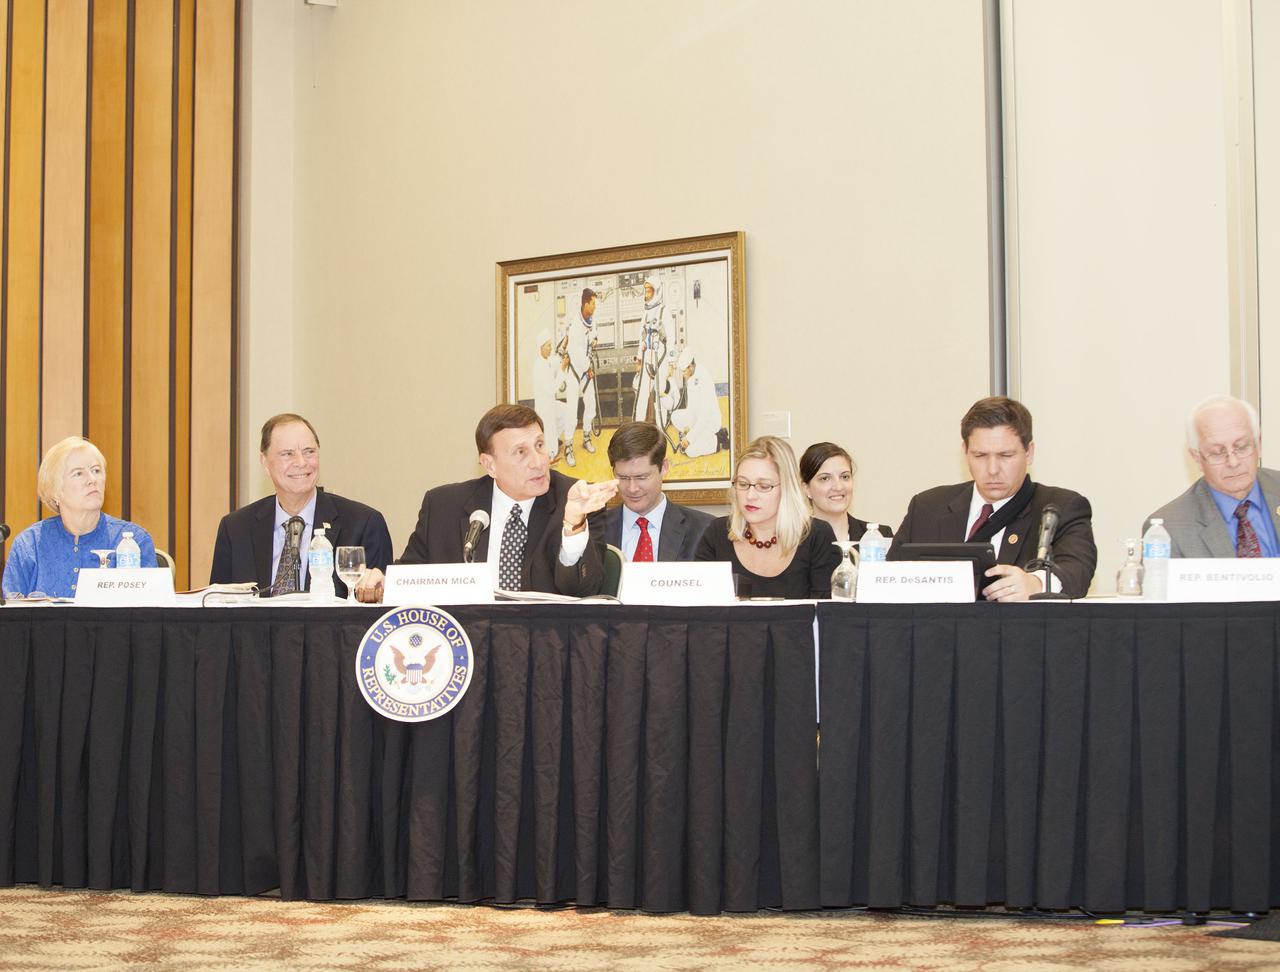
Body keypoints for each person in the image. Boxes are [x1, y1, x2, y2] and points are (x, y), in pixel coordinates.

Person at [356, 403, 618, 601]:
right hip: (466, 645)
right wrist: (384, 581)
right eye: (521, 452)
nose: (539, 461)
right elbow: (410, 577)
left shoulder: (575, 501)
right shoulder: (443, 507)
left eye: (539, 445)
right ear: (490, 465)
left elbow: (584, 592)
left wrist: (574, 525)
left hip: (545, 647)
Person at [889, 396, 1097, 600]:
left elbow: (1077, 571)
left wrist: (1036, 583)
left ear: (1029, 452)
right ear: (965, 452)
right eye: (980, 456)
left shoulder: (1059, 507)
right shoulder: (928, 507)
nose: (992, 469)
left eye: (1006, 455)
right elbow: (888, 577)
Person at [209, 413, 393, 597]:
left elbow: (382, 607)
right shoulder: (235, 529)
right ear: (264, 462)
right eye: (287, 454)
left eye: (309, 452)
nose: (301, 462)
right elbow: (216, 608)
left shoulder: (364, 525)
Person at [2, 436, 157, 598]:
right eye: (78, 473)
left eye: (96, 470)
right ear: (55, 491)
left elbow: (149, 609)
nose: (92, 480)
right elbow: (12, 610)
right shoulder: (29, 544)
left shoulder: (134, 541)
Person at [695, 435, 840, 598]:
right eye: (743, 484)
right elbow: (698, 604)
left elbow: (829, 609)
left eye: (763, 486)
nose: (750, 495)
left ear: (787, 489)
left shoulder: (817, 535)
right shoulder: (717, 532)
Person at [1146, 395, 1280, 557]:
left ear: (1258, 444)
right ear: (1197, 458)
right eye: (1217, 453)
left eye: (1241, 447)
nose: (1233, 462)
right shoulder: (1169, 530)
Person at [590, 421, 713, 561]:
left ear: (664, 467)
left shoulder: (705, 530)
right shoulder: (592, 530)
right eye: (623, 477)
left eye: (642, 477)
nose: (632, 488)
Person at [799, 441, 891, 543]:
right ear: (806, 488)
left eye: (845, 477)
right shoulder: (793, 541)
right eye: (825, 478)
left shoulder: (881, 537)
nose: (838, 487)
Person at [565, 288, 601, 466]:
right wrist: (588, 368)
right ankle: (568, 446)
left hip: (586, 370)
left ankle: (586, 436)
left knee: (591, 405)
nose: (595, 306)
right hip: (575, 371)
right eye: (593, 303)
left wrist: (595, 339)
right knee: (572, 411)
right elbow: (574, 352)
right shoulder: (575, 326)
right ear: (586, 304)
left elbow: (593, 334)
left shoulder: (590, 320)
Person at [633, 275, 673, 425]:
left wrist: (671, 363)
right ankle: (638, 429)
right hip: (647, 356)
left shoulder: (664, 312)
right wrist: (639, 360)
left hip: (660, 357)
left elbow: (671, 339)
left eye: (649, 291)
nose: (647, 294)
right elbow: (641, 338)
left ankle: (661, 429)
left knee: (660, 394)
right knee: (642, 395)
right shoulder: (645, 314)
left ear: (657, 292)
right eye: (646, 291)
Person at [671, 348, 721, 458]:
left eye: (684, 371)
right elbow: (691, 408)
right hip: (697, 418)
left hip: (709, 422)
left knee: (690, 451)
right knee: (674, 416)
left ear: (691, 366)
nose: (683, 374)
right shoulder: (691, 376)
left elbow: (704, 418)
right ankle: (698, 438)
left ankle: (717, 441)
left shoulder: (704, 378)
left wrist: (689, 439)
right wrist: (688, 427)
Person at [532, 329, 571, 462]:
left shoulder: (547, 360)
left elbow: (556, 358)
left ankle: (553, 441)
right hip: (544, 408)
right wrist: (563, 369)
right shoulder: (539, 366)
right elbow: (551, 389)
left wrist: (564, 345)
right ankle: (550, 456)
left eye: (550, 345)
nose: (550, 348)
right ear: (541, 348)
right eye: (548, 346)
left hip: (550, 403)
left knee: (567, 412)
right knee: (549, 430)